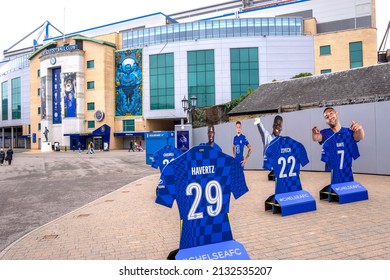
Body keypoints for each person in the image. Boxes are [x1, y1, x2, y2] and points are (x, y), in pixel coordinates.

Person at [312, 107, 365, 171]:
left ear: (336, 114)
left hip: (346, 172)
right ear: (326, 121)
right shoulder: (325, 133)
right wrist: (314, 133)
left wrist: (360, 128)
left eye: (331, 113)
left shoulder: (348, 132)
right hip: (331, 172)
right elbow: (316, 138)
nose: (329, 117)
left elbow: (360, 137)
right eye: (327, 117)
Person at [254, 115, 283, 180]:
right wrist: (258, 122)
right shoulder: (268, 137)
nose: (278, 128)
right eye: (276, 125)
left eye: (280, 126)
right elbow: (262, 130)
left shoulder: (281, 140)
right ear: (273, 126)